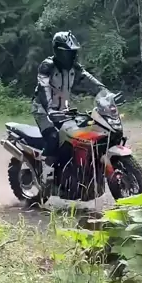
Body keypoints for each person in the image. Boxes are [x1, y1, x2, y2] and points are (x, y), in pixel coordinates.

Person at [32, 31, 106, 186]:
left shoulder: (74, 67)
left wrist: (105, 92)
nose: (71, 56)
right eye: (68, 53)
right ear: (58, 52)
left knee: (76, 137)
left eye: (73, 52)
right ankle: (45, 174)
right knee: (53, 137)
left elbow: (89, 79)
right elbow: (44, 88)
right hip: (43, 110)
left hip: (63, 110)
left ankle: (72, 174)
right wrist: (49, 109)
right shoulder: (47, 66)